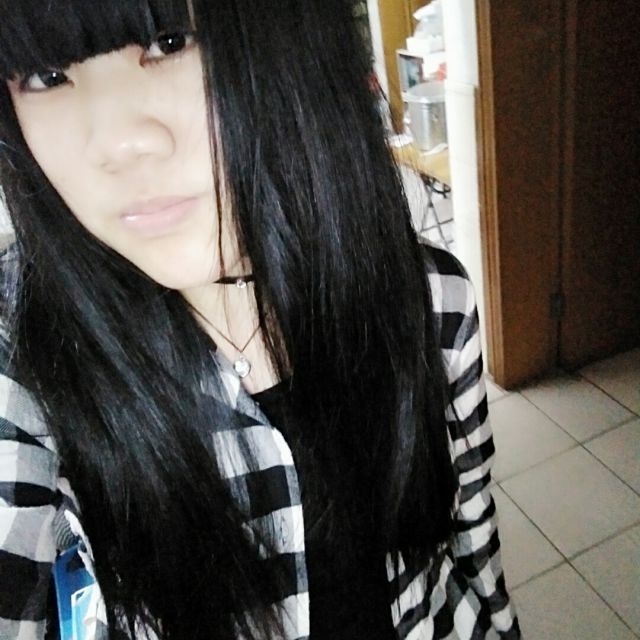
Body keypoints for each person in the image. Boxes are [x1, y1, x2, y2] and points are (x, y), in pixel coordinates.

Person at [0, 0, 520, 638]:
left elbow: (473, 542)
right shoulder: (22, 360)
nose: (117, 144)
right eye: (46, 76)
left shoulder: (431, 298)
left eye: (171, 41)